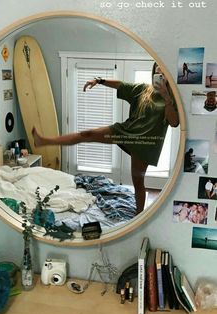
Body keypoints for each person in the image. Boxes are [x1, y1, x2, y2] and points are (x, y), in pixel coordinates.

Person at [32, 62, 179, 215]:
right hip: (126, 131)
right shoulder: (143, 90)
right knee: (86, 134)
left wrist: (166, 96)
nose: (159, 70)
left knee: (138, 181)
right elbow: (121, 85)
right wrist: (99, 80)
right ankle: (44, 141)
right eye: (157, 68)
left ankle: (139, 216)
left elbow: (174, 122)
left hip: (145, 144)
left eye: (163, 68)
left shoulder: (173, 98)